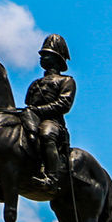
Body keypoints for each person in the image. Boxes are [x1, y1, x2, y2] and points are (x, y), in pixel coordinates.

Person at [23, 34, 76, 192]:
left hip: (53, 123)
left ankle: (52, 177)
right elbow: (28, 104)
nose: (42, 57)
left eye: (47, 54)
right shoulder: (35, 84)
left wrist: (38, 110)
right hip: (32, 118)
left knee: (46, 133)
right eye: (42, 54)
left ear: (56, 59)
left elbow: (63, 104)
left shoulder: (66, 81)